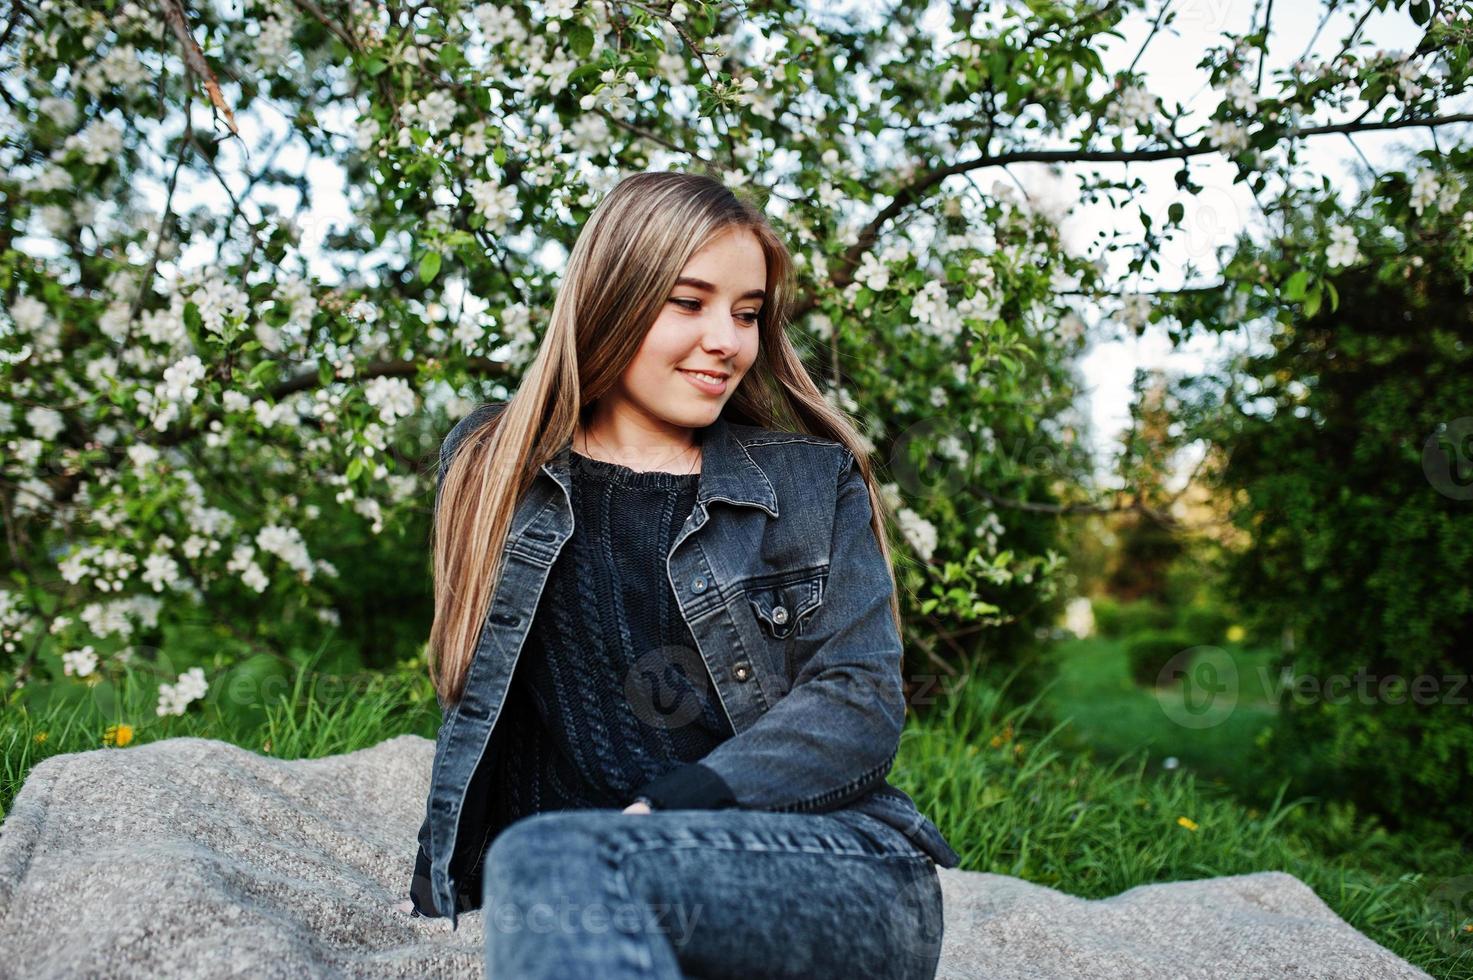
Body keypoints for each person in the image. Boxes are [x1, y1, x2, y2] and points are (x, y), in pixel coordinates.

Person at [408, 170, 959, 979]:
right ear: (613, 296)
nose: (728, 342)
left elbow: (858, 703)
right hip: (571, 871)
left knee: (559, 863)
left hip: (828, 867)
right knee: (546, 864)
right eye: (688, 302)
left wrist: (661, 814)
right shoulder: (494, 465)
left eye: (746, 314)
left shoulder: (809, 481)